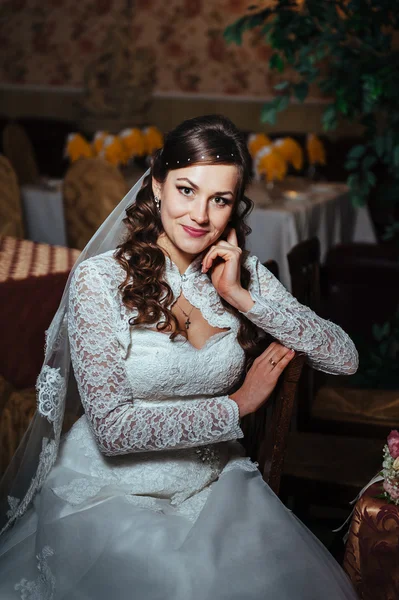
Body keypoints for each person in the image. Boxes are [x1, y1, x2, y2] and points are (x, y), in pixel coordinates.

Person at [0, 115, 359, 599]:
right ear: (156, 185)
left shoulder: (243, 273)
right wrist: (238, 406)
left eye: (220, 200)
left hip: (215, 488)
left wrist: (242, 298)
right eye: (187, 190)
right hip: (110, 494)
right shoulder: (99, 281)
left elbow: (344, 357)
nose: (200, 216)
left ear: (235, 206)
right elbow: (113, 430)